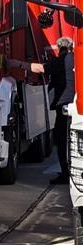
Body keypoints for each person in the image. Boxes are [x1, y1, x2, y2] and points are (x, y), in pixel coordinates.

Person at [46, 37, 75, 184]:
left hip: (62, 108)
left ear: (59, 48)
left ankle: (65, 173)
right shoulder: (77, 60)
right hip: (76, 106)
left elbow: (41, 69)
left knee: (61, 140)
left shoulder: (57, 62)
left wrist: (16, 64)